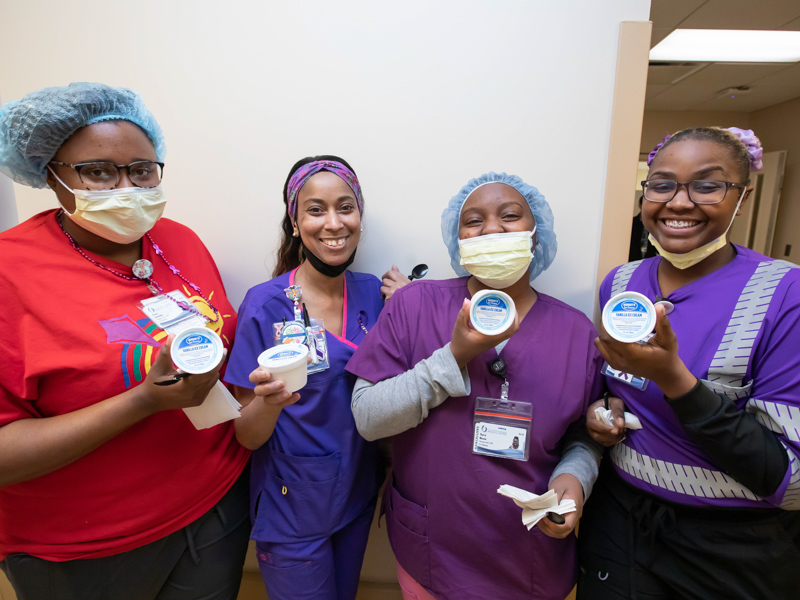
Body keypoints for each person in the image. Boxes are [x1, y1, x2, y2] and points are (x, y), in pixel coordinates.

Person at [0, 83, 250, 600]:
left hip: (215, 507)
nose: (127, 186)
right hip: (82, 551)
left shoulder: (178, 240)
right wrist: (142, 401)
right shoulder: (10, 273)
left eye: (141, 170)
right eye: (97, 171)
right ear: (51, 174)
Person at [346, 172, 604, 600]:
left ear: (535, 236)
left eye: (510, 216)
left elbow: (585, 435)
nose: (492, 229)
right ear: (458, 240)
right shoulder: (414, 306)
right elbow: (369, 419)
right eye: (473, 221)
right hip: (432, 551)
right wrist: (454, 357)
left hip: (530, 555)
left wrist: (574, 479)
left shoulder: (575, 332)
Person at [579, 127, 800, 600]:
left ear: (742, 197)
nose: (678, 202)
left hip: (733, 545)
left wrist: (675, 380)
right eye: (661, 184)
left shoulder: (785, 295)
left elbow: (792, 481)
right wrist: (602, 414)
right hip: (620, 521)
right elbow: (616, 387)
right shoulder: (621, 284)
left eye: (706, 185)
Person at [224, 156, 385, 600]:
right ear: (295, 223)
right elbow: (246, 435)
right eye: (315, 209)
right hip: (292, 506)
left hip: (355, 493)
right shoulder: (264, 305)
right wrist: (270, 401)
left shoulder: (375, 292)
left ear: (360, 215)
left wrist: (412, 301)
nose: (333, 223)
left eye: (345, 207)